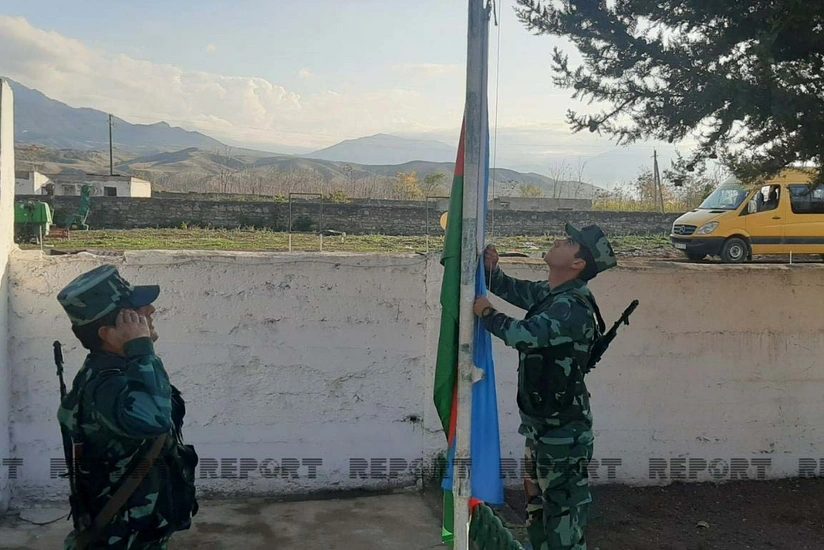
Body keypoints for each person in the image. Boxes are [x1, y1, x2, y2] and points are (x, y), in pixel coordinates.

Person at [473, 223, 617, 550]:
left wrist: (486, 313)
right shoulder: (554, 294)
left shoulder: (573, 307)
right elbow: (516, 290)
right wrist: (493, 273)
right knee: (538, 510)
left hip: (564, 432)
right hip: (542, 426)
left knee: (563, 514)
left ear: (578, 264)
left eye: (569, 241)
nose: (558, 240)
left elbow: (524, 335)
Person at [56, 265, 198, 549]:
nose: (151, 311)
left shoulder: (120, 371)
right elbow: (155, 419)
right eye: (135, 313)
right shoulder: (105, 387)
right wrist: (141, 347)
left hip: (138, 528)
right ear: (108, 333)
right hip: (123, 536)